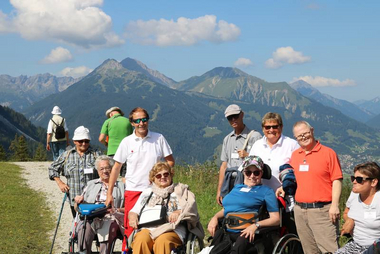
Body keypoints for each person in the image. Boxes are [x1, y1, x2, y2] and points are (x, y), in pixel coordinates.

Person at [105, 107, 175, 241]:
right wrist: (109, 194)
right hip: (133, 191)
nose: (141, 123)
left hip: (155, 192)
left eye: (144, 119)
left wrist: (160, 176)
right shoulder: (127, 142)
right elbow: (116, 168)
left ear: (148, 120)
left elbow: (170, 161)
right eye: (137, 121)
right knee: (131, 228)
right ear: (132, 123)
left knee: (155, 226)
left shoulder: (158, 138)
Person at [279, 120, 342, 254]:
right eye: (299, 136)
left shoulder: (328, 153)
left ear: (312, 131)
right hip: (300, 210)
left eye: (306, 133)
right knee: (309, 251)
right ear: (296, 138)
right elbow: (293, 178)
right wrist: (283, 187)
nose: (303, 137)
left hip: (322, 211)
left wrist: (335, 205)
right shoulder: (295, 155)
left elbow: (337, 180)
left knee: (329, 250)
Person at [208, 155, 280, 254]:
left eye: (256, 173)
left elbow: (276, 219)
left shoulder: (266, 191)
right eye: (248, 172)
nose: (252, 176)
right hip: (227, 231)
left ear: (261, 173)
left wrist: (255, 226)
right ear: (243, 173)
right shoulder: (236, 188)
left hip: (247, 233)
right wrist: (215, 217)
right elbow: (227, 209)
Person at [128, 162, 204, 254]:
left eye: (166, 174)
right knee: (141, 240)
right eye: (158, 176)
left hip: (171, 229)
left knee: (162, 241)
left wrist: (179, 212)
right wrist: (132, 217)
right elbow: (134, 211)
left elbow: (191, 209)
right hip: (147, 229)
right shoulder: (146, 193)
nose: (162, 177)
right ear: (153, 179)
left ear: (171, 175)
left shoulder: (180, 191)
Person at [75, 155, 125, 254]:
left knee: (106, 230)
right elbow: (77, 208)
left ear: (113, 170)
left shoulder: (121, 186)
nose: (105, 171)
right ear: (97, 171)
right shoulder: (91, 184)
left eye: (107, 168)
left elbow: (129, 208)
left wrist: (117, 210)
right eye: (101, 169)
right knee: (84, 229)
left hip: (111, 216)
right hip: (91, 216)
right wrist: (78, 202)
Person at [49, 126, 101, 217]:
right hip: (74, 198)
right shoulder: (67, 155)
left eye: (86, 141)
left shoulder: (96, 154)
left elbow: (107, 171)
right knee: (77, 224)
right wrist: (60, 182)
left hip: (93, 198)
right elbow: (53, 168)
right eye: (80, 141)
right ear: (75, 141)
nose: (84, 144)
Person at [216, 104, 261, 206]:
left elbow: (262, 163)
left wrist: (248, 156)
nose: (233, 120)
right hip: (229, 183)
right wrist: (220, 190)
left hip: (248, 182)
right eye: (229, 118)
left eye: (235, 116)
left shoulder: (255, 137)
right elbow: (224, 166)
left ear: (242, 115)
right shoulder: (227, 139)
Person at [336, 162, 380, 254]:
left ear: (373, 182)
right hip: (355, 244)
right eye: (353, 178)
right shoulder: (354, 194)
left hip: (375, 247)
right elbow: (346, 212)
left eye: (359, 179)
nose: (354, 181)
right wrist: (350, 220)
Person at [99, 106, 133, 179]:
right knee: (125, 176)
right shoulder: (128, 121)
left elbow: (101, 138)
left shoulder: (108, 121)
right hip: (127, 152)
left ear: (111, 114)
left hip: (112, 153)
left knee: (112, 177)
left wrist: (107, 144)